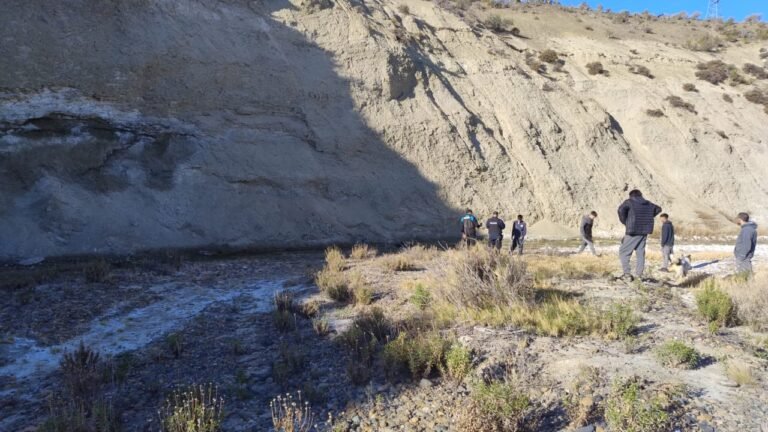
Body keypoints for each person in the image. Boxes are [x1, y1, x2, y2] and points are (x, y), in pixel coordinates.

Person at [617, 189, 662, 282]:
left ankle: (627, 274)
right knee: (640, 253)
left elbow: (620, 210)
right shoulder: (648, 203)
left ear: (631, 196)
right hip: (644, 231)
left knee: (623, 252)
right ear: (641, 195)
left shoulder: (629, 202)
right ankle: (639, 275)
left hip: (633, 230)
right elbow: (658, 209)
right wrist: (648, 217)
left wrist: (626, 221)